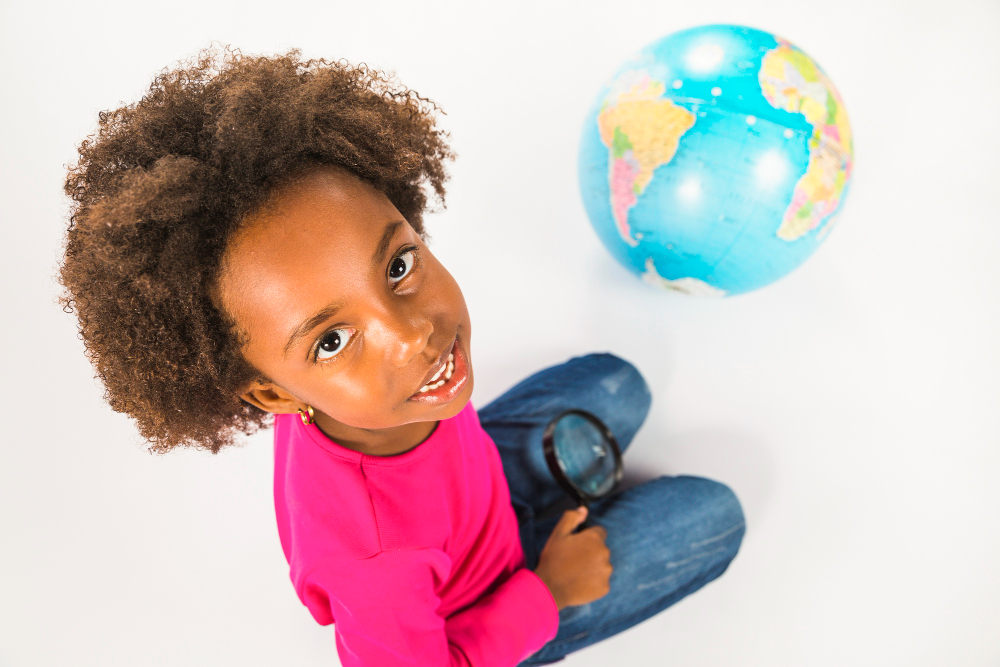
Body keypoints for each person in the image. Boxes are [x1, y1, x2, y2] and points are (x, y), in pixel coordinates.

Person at [57, 47, 746, 666]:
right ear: (273, 393)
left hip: (476, 485)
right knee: (714, 515)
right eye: (332, 340)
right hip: (486, 601)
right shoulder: (375, 558)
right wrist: (546, 592)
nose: (412, 333)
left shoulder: (352, 387)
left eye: (396, 265)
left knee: (618, 383)